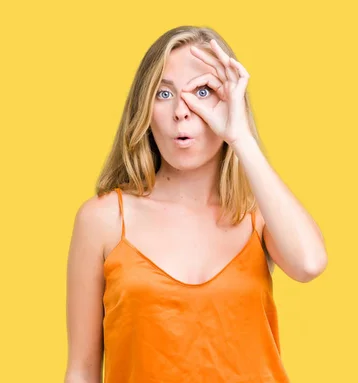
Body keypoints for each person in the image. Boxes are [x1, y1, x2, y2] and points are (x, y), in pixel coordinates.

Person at [64, 25, 328, 383]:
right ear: (143, 107)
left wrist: (240, 138)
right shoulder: (103, 220)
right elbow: (82, 371)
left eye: (202, 91)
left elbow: (309, 264)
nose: (181, 112)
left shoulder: (258, 214)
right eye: (164, 93)